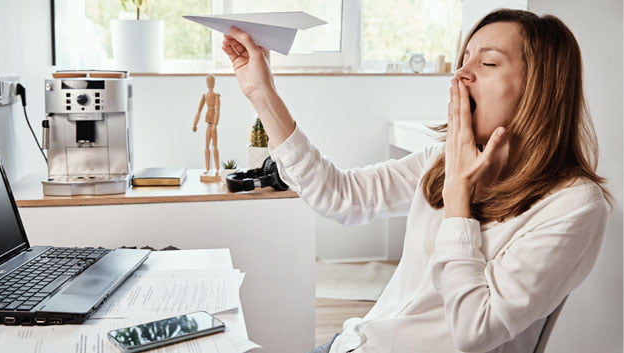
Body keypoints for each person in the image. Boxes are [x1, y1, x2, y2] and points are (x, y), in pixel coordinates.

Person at [222, 8, 611, 353]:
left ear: (539, 92)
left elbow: (475, 331)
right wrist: (260, 91)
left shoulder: (573, 204)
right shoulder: (439, 161)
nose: (462, 72)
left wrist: (459, 197)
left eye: (489, 64)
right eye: (464, 58)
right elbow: (338, 196)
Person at [193, 74, 221, 179]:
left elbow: (218, 111)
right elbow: (198, 111)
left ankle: (217, 169)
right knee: (206, 146)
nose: (210, 84)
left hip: (213, 124)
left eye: (211, 82)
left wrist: (215, 123)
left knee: (214, 146)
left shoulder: (216, 96)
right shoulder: (204, 96)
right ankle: (208, 169)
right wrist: (195, 123)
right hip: (208, 123)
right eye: (208, 82)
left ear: (214, 83)